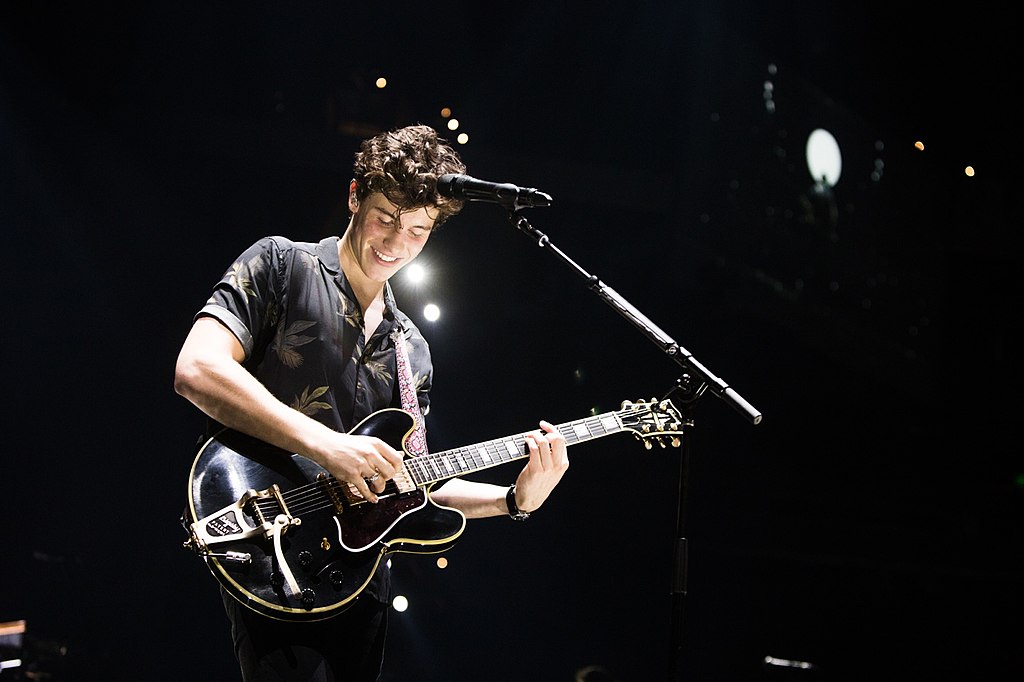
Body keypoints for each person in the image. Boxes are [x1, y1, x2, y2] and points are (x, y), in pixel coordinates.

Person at [173, 123, 570, 681]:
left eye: (416, 230)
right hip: (275, 541)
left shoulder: (413, 350)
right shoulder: (282, 266)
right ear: (355, 196)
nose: (394, 243)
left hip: (361, 579)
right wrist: (327, 446)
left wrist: (514, 499)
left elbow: (414, 481)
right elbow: (196, 370)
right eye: (385, 217)